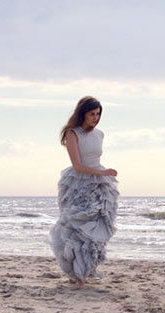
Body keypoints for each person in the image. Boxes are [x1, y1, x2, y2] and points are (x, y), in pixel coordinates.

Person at [50, 96, 119, 288]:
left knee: (98, 227)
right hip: (78, 184)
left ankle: (85, 270)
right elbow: (77, 165)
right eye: (92, 114)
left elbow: (95, 159)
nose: (96, 118)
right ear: (83, 114)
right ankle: (77, 274)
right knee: (77, 228)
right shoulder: (72, 133)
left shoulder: (100, 134)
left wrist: (103, 174)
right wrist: (102, 172)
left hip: (100, 185)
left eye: (98, 114)